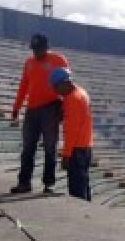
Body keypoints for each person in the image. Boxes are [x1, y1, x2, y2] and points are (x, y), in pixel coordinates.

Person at [11, 34, 69, 195]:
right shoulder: (29, 62)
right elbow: (24, 85)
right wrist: (16, 107)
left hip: (51, 107)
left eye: (39, 49)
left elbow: (66, 85)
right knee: (28, 148)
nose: (36, 53)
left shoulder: (58, 60)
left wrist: (63, 108)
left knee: (50, 147)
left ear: (46, 47)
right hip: (32, 109)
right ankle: (24, 182)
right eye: (34, 49)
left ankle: (49, 183)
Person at [50, 67, 93, 202]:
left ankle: (81, 217)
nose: (56, 91)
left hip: (76, 149)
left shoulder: (72, 100)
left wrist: (66, 155)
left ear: (65, 83)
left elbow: (71, 131)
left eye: (56, 87)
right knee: (84, 182)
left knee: (76, 189)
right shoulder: (81, 92)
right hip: (86, 146)